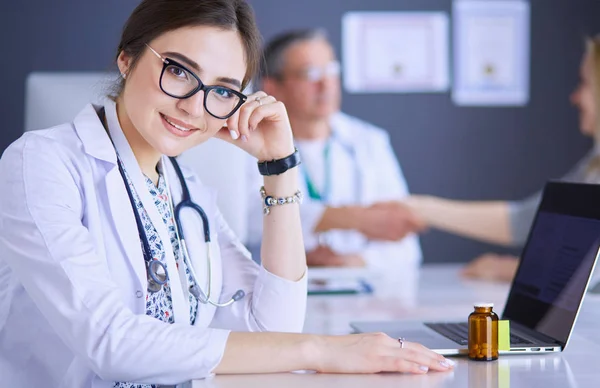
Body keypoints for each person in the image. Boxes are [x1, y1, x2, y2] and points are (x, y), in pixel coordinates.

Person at [0, 1, 454, 387]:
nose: (195, 107)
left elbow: (271, 325)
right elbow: (109, 342)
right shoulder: (40, 163)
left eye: (222, 90)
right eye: (178, 71)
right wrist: (321, 350)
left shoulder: (185, 189)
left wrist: (279, 168)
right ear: (127, 57)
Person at [405, 36, 600, 282]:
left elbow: (590, 273)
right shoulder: (594, 164)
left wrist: (511, 269)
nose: (575, 97)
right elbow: (529, 219)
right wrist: (419, 208)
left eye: (584, 83)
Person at [246, 28, 425, 277]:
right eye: (311, 73)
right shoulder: (251, 142)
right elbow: (248, 219)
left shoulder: (369, 141)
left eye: (331, 71)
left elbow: (406, 246)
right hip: (280, 284)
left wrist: (354, 261)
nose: (326, 83)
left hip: (361, 292)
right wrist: (352, 218)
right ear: (273, 86)